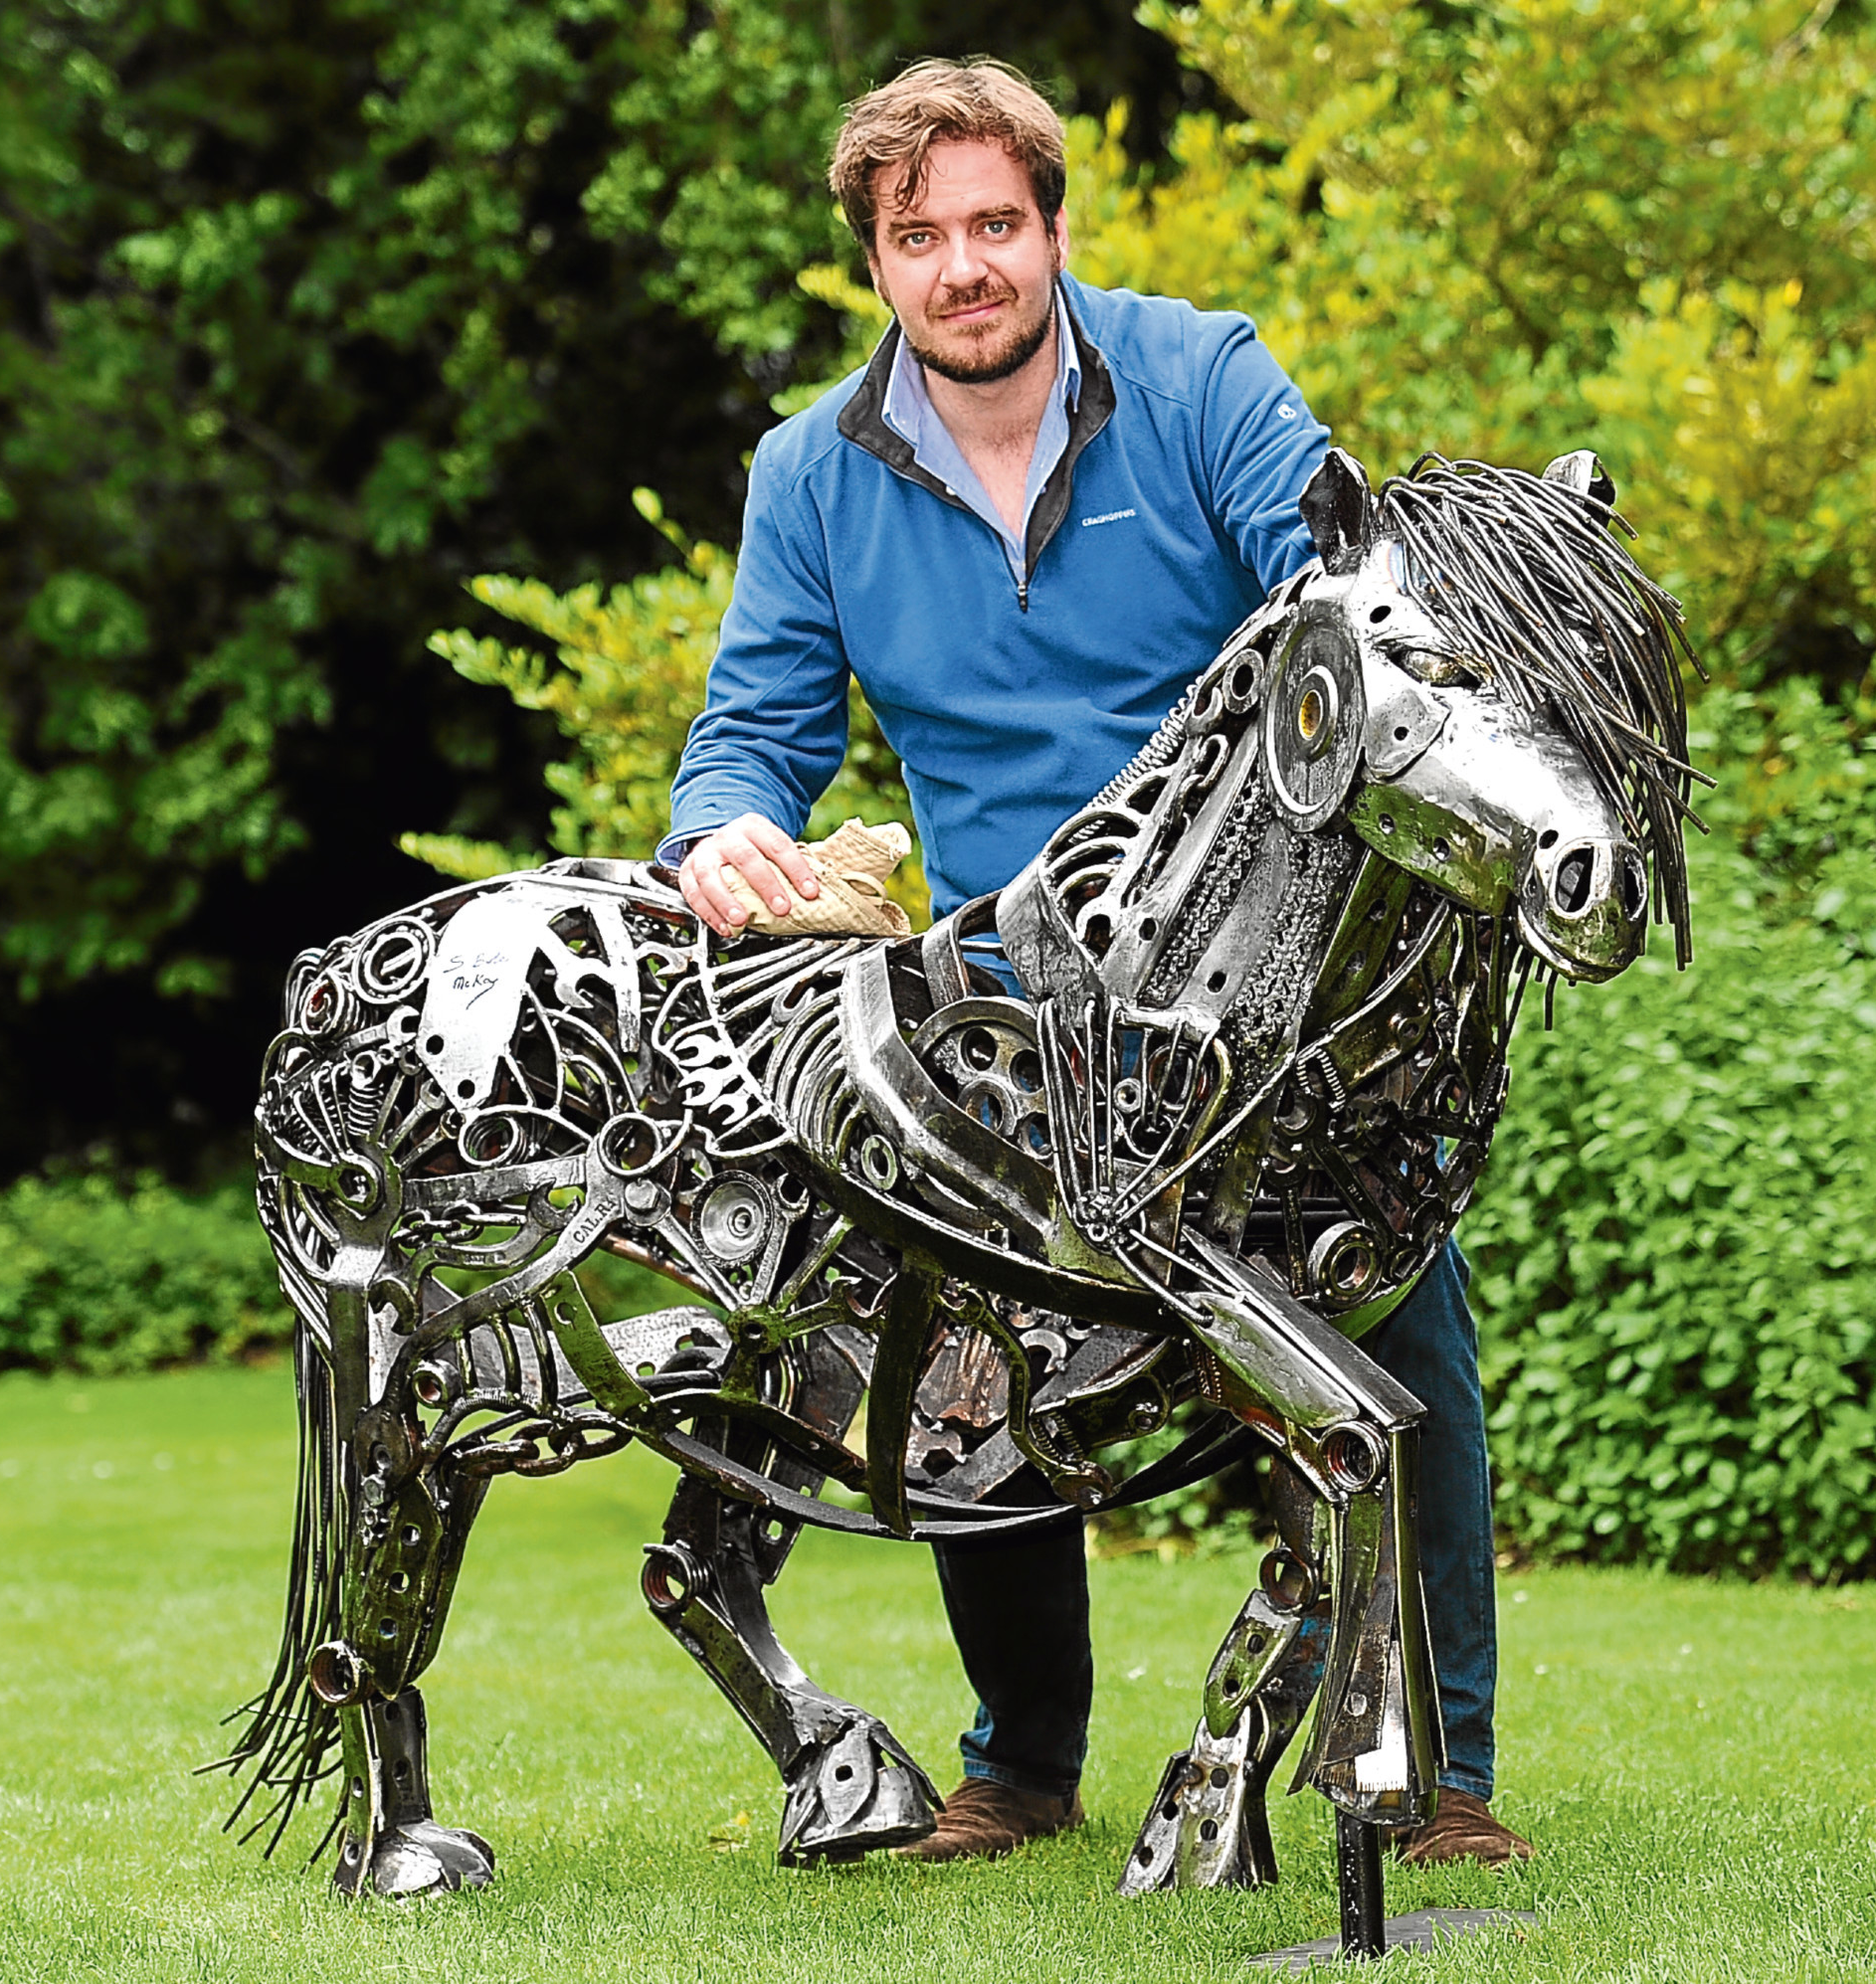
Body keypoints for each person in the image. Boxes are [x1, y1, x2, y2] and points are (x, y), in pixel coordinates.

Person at [660, 58, 1530, 1871]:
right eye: (922, 239)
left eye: (996, 223)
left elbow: (1349, 593)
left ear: (1053, 226)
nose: (965, 266)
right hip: (1010, 988)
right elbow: (752, 729)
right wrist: (720, 835)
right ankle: (1024, 1768)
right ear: (876, 264)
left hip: (1265, 986)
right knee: (968, 1346)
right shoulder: (810, 473)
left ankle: (1439, 1781)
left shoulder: (1203, 378)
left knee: (1389, 1320)